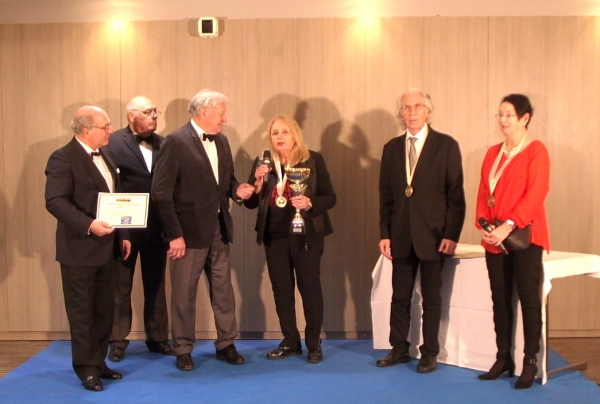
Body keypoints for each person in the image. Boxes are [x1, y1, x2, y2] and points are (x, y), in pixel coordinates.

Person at [151, 89, 255, 371]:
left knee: (223, 291)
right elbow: (161, 193)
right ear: (204, 112)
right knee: (184, 293)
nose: (224, 118)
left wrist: (238, 190)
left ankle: (226, 344)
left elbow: (227, 182)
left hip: (219, 230)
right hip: (187, 235)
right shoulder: (175, 141)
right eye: (221, 113)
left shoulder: (221, 140)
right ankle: (183, 348)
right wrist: (174, 235)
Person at [377, 88, 466, 373]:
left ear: (428, 111)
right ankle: (399, 348)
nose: (412, 112)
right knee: (399, 297)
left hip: (434, 236)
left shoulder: (446, 145)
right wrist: (384, 232)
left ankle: (430, 352)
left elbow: (456, 195)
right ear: (400, 114)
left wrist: (451, 234)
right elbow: (386, 195)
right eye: (406, 108)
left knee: (432, 298)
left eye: (417, 107)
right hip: (400, 236)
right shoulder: (391, 148)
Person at [44, 106, 131, 392]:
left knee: (104, 310)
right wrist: (89, 224)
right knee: (82, 313)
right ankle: (86, 369)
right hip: (79, 250)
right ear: (86, 131)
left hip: (108, 249)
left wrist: (124, 234)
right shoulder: (62, 158)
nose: (110, 130)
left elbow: (115, 199)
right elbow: (55, 201)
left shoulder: (106, 154)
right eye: (105, 126)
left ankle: (98, 362)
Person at [244, 115, 336, 363]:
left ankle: (314, 344)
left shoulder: (312, 160)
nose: (280, 137)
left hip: (306, 235)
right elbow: (251, 203)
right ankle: (291, 342)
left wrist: (310, 203)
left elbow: (330, 197)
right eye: (275, 133)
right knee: (282, 291)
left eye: (285, 132)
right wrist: (257, 183)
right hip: (274, 236)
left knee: (309, 288)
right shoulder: (263, 161)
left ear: (295, 134)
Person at [475, 94, 550, 389]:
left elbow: (537, 194)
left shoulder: (535, 151)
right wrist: (484, 224)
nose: (503, 120)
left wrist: (508, 225)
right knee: (500, 299)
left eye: (509, 115)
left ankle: (530, 360)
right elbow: (484, 192)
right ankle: (503, 356)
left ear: (524, 118)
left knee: (529, 300)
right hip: (495, 238)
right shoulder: (493, 152)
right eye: (500, 115)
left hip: (525, 237)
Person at [105, 96, 173, 362]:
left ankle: (157, 339)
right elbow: (110, 184)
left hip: (157, 227)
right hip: (125, 228)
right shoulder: (112, 141)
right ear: (131, 115)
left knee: (156, 285)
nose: (155, 115)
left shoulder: (164, 143)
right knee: (120, 286)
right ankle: (118, 340)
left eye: (156, 110)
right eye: (148, 111)